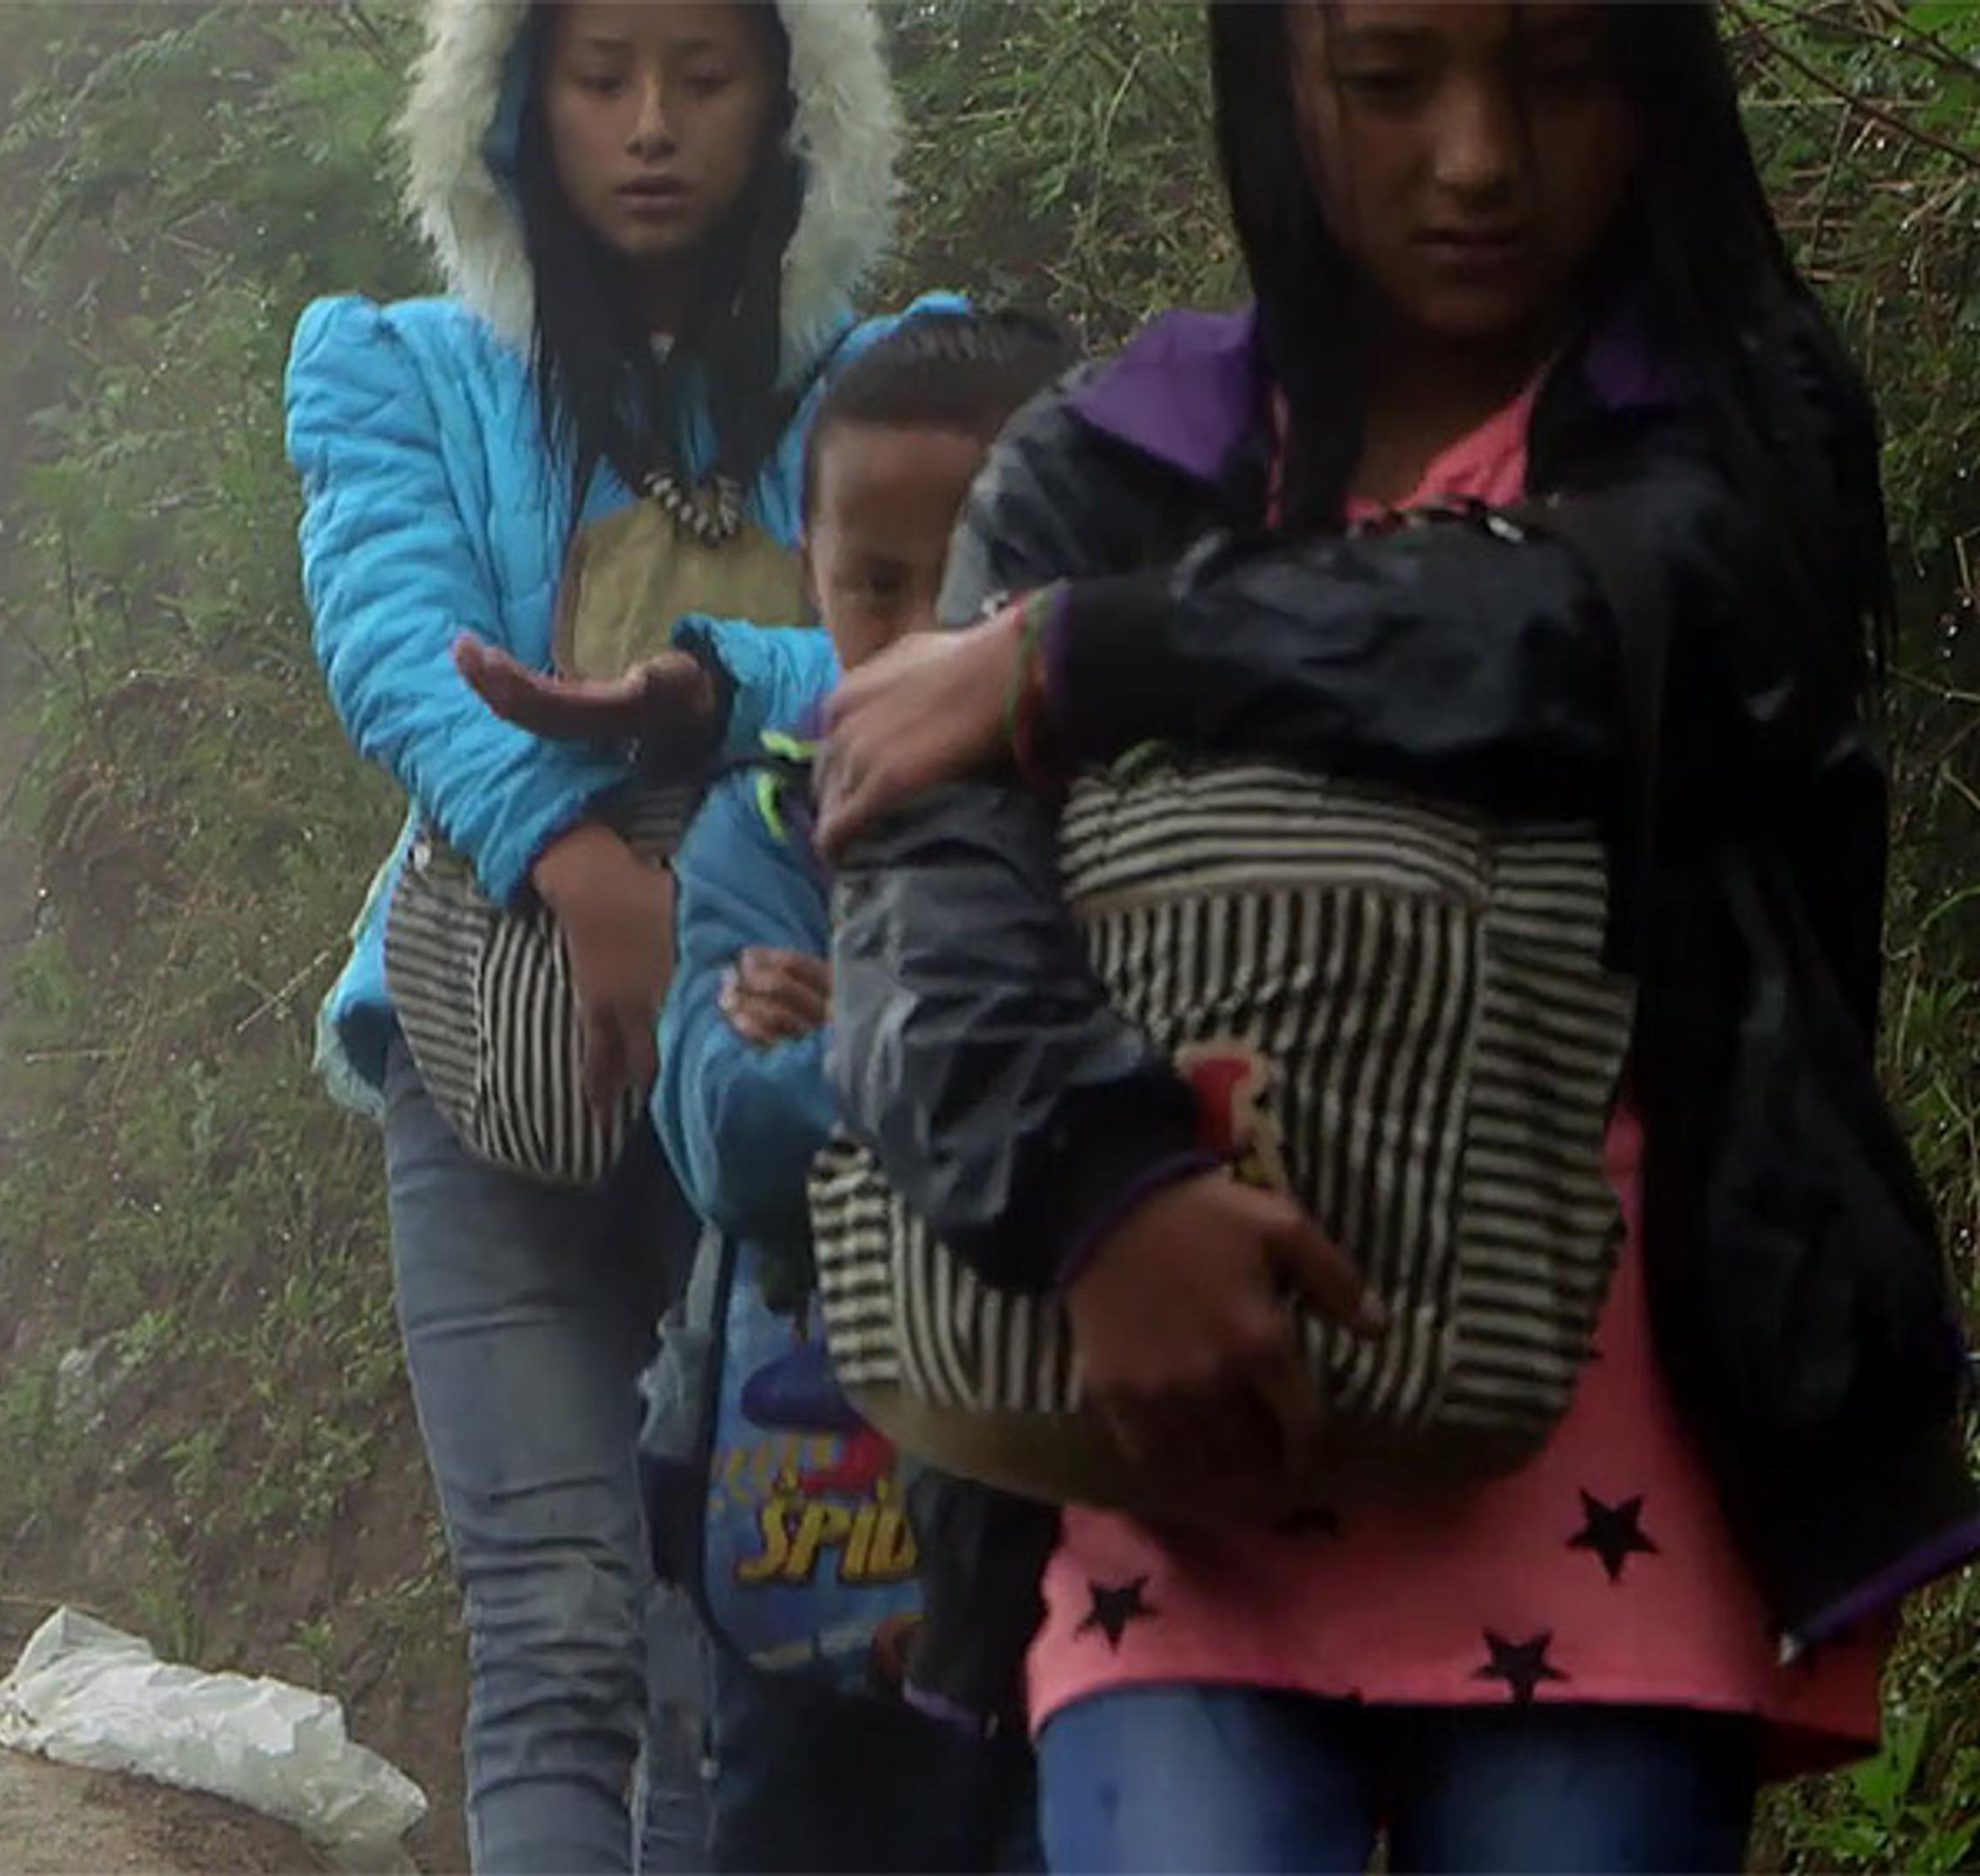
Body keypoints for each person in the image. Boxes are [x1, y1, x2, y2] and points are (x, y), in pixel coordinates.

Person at [807, 4, 1980, 1870]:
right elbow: (926, 892)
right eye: (1388, 79)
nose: (1478, 157)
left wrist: (1087, 657)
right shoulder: (1101, 463)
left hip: (1606, 1479)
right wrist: (1096, 1188)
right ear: (1273, 78)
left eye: (1562, 76)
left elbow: (1571, 631)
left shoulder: (1742, 436)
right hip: (1164, 1451)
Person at [285, 1, 938, 1866]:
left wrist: (711, 693)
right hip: (487, 1064)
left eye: (706, 78)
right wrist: (577, 859)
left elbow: (953, 652)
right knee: (555, 1627)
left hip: (788, 1066)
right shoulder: (395, 371)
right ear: (512, 106)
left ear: (795, 105)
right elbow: (393, 637)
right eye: (599, 79)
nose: (652, 125)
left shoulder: (893, 390)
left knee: (726, 1637)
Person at [643, 307, 1073, 1873]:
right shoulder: (766, 827)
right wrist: (991, 1055)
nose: (919, 635)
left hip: (1084, 1532)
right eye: (874, 584)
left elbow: (1161, 1087)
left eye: (976, 580)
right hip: (806, 1547)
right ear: (808, 572)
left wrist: (863, 1020)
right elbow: (733, 1132)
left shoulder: (1134, 817)